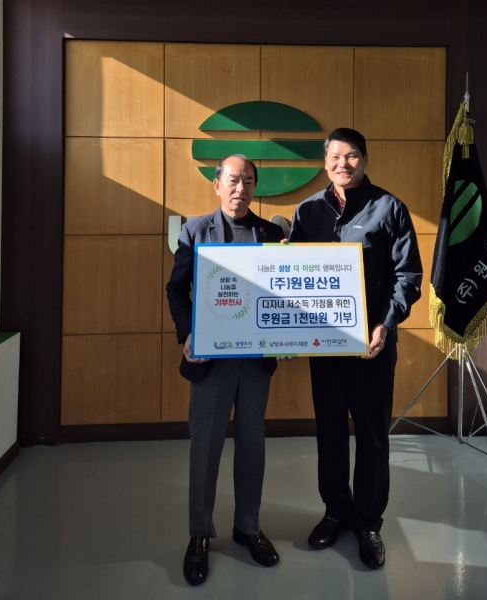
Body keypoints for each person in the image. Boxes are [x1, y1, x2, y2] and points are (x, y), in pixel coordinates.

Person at [289, 128, 423, 569]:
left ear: (364, 159)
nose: (342, 164)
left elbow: (408, 276)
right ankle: (335, 512)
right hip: (324, 345)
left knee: (371, 434)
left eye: (351, 156)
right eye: (334, 157)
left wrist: (385, 324)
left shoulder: (389, 208)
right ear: (324, 161)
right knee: (329, 431)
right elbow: (292, 275)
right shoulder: (308, 211)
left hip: (373, 345)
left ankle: (367, 523)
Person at [166, 154, 284, 586]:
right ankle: (199, 534)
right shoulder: (195, 230)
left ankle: (247, 528)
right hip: (211, 363)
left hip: (255, 364)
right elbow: (177, 290)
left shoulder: (271, 234)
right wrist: (187, 334)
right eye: (233, 180)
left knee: (253, 447)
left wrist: (288, 336)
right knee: (205, 449)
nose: (241, 188)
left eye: (248, 181)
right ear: (217, 184)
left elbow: (282, 294)